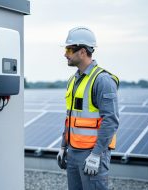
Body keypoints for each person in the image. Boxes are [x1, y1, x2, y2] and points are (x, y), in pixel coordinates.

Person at [56, 26, 119, 190]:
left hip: (92, 154)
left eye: (69, 49)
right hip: (73, 152)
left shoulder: (102, 80)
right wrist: (63, 146)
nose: (65, 54)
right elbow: (70, 117)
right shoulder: (73, 80)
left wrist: (96, 154)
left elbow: (111, 121)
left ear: (82, 52)